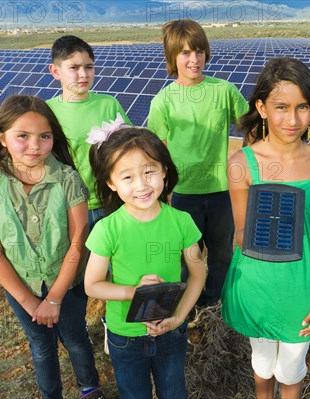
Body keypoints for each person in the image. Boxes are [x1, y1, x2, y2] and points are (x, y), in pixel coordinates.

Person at [221, 57, 310, 399]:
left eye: (303, 107)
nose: (292, 119)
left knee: (291, 367)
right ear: (261, 107)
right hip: (256, 285)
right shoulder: (241, 165)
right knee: (261, 363)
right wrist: (271, 220)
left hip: (301, 288)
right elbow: (241, 233)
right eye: (281, 107)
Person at [0, 95, 104, 399]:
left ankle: (90, 388)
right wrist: (30, 302)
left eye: (44, 137)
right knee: (41, 345)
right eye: (23, 136)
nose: (35, 145)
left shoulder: (68, 180)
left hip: (67, 284)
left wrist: (55, 298)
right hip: (22, 287)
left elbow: (77, 243)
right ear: (0, 137)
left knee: (74, 337)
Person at [84, 125, 206, 399]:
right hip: (125, 336)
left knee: (174, 393)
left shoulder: (181, 222)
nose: (141, 185)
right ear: (112, 183)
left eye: (149, 171)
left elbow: (198, 274)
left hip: (170, 332)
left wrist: (178, 318)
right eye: (128, 176)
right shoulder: (107, 229)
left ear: (164, 169)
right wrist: (133, 292)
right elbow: (92, 285)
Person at [147, 19, 248, 307]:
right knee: (186, 256)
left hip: (221, 192)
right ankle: (185, 309)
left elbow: (251, 127)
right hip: (183, 195)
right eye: (186, 53)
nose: (194, 59)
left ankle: (216, 307)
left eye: (199, 51)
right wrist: (161, 196)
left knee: (222, 254)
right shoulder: (163, 101)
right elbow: (158, 153)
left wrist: (244, 161)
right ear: (173, 57)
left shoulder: (225, 91)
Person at [47, 34, 131, 231]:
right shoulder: (46, 112)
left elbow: (129, 149)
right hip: (68, 206)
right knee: (78, 260)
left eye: (89, 67)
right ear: (55, 71)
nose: (83, 74)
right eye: (74, 68)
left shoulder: (109, 104)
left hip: (110, 203)